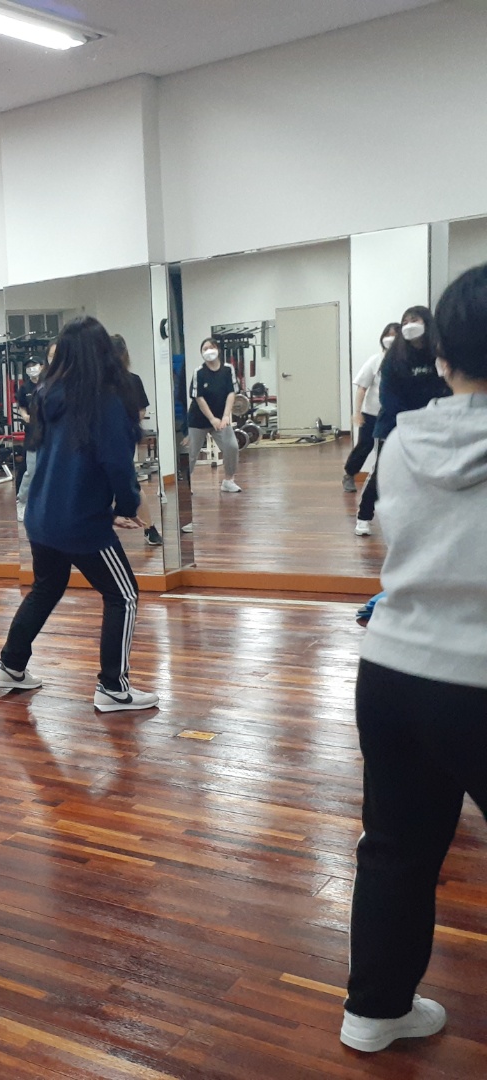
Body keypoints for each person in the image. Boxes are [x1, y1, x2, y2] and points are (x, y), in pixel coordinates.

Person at [339, 264, 487, 1054]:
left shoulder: (400, 443)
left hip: (393, 673)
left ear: (443, 355)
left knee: (394, 850)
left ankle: (373, 1011)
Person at [0, 317, 159, 712]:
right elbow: (117, 464)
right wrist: (126, 507)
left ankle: (11, 666)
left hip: (41, 518)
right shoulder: (105, 401)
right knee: (123, 595)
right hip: (79, 523)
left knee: (46, 587)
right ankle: (113, 687)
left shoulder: (48, 394)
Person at [355, 306, 449, 536]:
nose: (408, 326)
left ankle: (423, 520)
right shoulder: (394, 358)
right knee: (382, 472)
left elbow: (446, 387)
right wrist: (407, 419)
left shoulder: (438, 353)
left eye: (414, 320)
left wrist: (434, 414)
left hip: (429, 423)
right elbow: (388, 395)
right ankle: (364, 515)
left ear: (426, 323)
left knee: (427, 473)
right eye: (405, 322)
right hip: (394, 423)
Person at [112, 334, 162, 546]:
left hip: (124, 437)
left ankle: (150, 528)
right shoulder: (97, 384)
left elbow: (141, 410)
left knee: (130, 481)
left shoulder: (133, 380)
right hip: (102, 441)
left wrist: (123, 425)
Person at [344, 323, 398, 493]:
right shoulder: (375, 360)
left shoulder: (404, 362)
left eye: (395, 336)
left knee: (388, 449)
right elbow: (362, 388)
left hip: (392, 414)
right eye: (388, 335)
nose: (391, 339)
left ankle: (384, 481)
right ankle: (350, 474)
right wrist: (357, 412)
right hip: (371, 413)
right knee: (365, 446)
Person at [185, 336, 243, 493]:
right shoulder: (199, 372)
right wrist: (212, 419)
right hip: (199, 420)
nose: (208, 351)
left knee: (232, 446)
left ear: (217, 350)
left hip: (221, 419)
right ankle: (183, 484)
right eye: (205, 349)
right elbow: (199, 397)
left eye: (211, 347)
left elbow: (231, 393)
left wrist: (226, 416)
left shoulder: (228, 369)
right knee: (191, 454)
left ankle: (228, 480)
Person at [14, 351, 46, 523]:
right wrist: (25, 415)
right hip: (33, 432)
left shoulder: (48, 383)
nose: (32, 368)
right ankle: (22, 501)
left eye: (34, 365)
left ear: (42, 366)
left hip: (49, 432)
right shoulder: (24, 388)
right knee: (31, 470)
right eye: (28, 366)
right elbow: (21, 406)